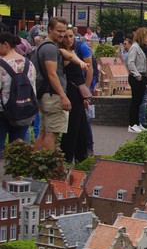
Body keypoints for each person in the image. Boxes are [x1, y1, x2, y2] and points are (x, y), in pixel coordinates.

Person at [32, 17, 72, 151]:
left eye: (64, 31)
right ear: (50, 29)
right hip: (53, 95)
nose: (62, 34)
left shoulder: (42, 46)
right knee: (52, 133)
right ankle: (47, 162)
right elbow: (52, 74)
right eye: (59, 31)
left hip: (45, 94)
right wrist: (63, 96)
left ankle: (37, 161)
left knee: (43, 132)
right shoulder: (50, 48)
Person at [59, 27, 93, 162]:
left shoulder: (73, 50)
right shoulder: (63, 52)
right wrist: (81, 62)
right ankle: (66, 159)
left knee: (82, 128)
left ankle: (81, 159)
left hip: (78, 91)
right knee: (73, 127)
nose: (68, 39)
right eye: (65, 37)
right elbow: (71, 58)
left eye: (71, 36)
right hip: (72, 91)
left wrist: (86, 94)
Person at [0, 32, 37, 153]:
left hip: (3, 110)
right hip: (24, 110)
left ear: (5, 44)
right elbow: (33, 87)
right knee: (18, 152)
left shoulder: (1, 64)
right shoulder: (29, 63)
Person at [124, 33, 147, 133]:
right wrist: (137, 75)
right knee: (136, 101)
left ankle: (137, 123)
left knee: (138, 101)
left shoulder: (139, 47)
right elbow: (130, 62)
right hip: (137, 77)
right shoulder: (135, 47)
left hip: (141, 76)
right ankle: (132, 124)